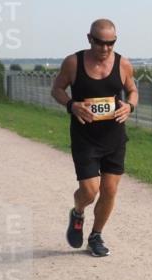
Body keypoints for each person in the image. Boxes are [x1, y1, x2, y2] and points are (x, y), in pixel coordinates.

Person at [51, 19, 138, 257]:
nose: (105, 48)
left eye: (111, 43)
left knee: (109, 190)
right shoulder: (73, 62)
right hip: (85, 138)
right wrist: (72, 105)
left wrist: (130, 106)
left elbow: (133, 90)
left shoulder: (123, 64)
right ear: (89, 39)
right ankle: (78, 212)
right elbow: (57, 89)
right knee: (90, 191)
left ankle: (96, 236)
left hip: (114, 138)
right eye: (100, 43)